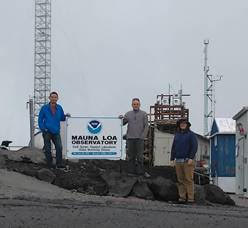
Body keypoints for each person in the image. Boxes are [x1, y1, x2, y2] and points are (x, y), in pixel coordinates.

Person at [38, 91, 69, 169]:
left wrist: (66, 116)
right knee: (47, 149)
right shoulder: (44, 108)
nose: (54, 98)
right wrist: (43, 128)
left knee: (59, 147)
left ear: (57, 98)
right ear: (49, 98)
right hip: (47, 131)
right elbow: (40, 119)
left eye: (55, 97)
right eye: (52, 97)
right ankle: (49, 164)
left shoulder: (59, 108)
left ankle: (59, 164)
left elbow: (62, 117)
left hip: (56, 131)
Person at [170, 118, 198, 203]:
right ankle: (182, 197)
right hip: (178, 160)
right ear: (179, 125)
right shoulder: (177, 135)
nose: (182, 125)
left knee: (188, 179)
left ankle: (190, 198)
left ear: (187, 125)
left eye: (184, 123)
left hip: (187, 161)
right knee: (180, 180)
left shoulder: (191, 135)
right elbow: (173, 147)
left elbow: (194, 147)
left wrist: (191, 158)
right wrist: (172, 158)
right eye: (181, 123)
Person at [119, 98, 148, 175]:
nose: (136, 105)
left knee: (140, 156)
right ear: (132, 105)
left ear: (139, 105)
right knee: (130, 156)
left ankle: (140, 172)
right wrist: (121, 118)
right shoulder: (128, 114)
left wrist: (142, 136)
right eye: (134, 104)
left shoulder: (144, 114)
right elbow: (123, 123)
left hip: (139, 139)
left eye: (137, 104)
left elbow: (146, 126)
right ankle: (131, 172)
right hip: (130, 138)